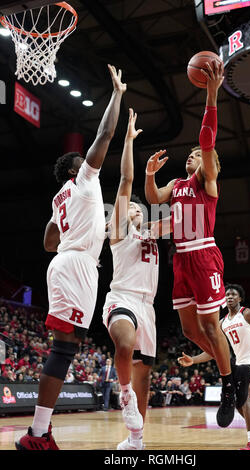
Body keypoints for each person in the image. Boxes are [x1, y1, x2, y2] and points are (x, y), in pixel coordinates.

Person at [15, 64, 126, 451]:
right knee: (62, 350)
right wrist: (116, 93)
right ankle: (37, 435)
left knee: (67, 347)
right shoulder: (83, 181)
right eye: (84, 160)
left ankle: (41, 431)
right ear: (76, 169)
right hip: (76, 265)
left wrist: (73, 228)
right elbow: (106, 134)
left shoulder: (59, 197)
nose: (90, 161)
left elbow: (48, 241)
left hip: (67, 262)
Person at [144, 59, 250, 427]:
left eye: (197, 155)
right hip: (180, 260)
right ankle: (232, 364)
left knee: (209, 327)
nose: (192, 155)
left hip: (204, 254)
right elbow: (154, 199)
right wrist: (148, 175)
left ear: (209, 165)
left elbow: (207, 140)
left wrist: (211, 96)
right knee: (190, 330)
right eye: (188, 154)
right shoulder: (176, 185)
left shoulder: (208, 182)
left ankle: (227, 385)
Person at [102, 108, 158, 450]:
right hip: (122, 295)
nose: (136, 211)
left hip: (148, 306)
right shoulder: (119, 231)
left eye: (140, 209)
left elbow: (184, 216)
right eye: (132, 209)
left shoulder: (153, 232)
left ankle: (136, 439)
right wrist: (127, 140)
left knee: (146, 380)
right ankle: (123, 395)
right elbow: (126, 182)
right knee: (123, 343)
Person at [178, 283, 250, 450]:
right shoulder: (221, 323)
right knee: (239, 403)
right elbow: (214, 351)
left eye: (233, 294)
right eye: (227, 295)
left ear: (240, 298)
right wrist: (194, 360)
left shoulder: (248, 314)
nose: (230, 297)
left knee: (245, 395)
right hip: (240, 363)